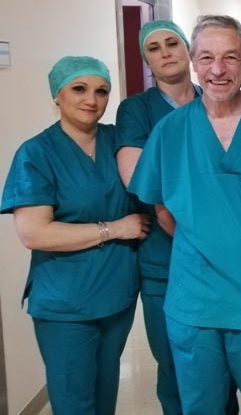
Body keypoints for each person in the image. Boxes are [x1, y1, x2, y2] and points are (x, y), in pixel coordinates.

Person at [129, 15, 241, 415]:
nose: (218, 69)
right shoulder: (170, 130)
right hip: (195, 302)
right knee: (202, 406)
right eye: (207, 57)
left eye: (230, 57)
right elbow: (162, 208)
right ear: (193, 62)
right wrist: (207, 241)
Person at [1, 56, 150, 415]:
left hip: (117, 295)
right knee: (74, 403)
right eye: (79, 89)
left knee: (105, 395)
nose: (92, 100)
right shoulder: (37, 153)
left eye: (102, 91)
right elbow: (35, 233)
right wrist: (115, 228)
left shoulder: (117, 141)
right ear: (57, 94)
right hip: (66, 304)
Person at [116, 19, 239, 415]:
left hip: (226, 261)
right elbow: (139, 179)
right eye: (153, 48)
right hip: (165, 263)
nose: (165, 52)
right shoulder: (137, 110)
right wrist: (200, 199)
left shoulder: (218, 94)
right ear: (146, 60)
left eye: (172, 43)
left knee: (225, 373)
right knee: (177, 370)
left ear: (188, 51)